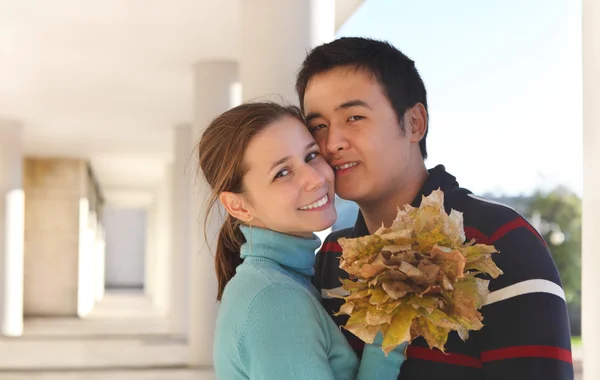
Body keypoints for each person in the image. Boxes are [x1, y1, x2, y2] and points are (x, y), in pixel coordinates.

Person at [296, 37, 574, 380]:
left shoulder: (501, 240)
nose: (332, 142)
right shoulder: (332, 258)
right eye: (318, 126)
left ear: (414, 123)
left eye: (354, 117)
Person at [199, 102, 406, 380]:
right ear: (238, 206)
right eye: (282, 173)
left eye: (311, 156)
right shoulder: (274, 298)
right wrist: (390, 334)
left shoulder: (279, 282)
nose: (315, 178)